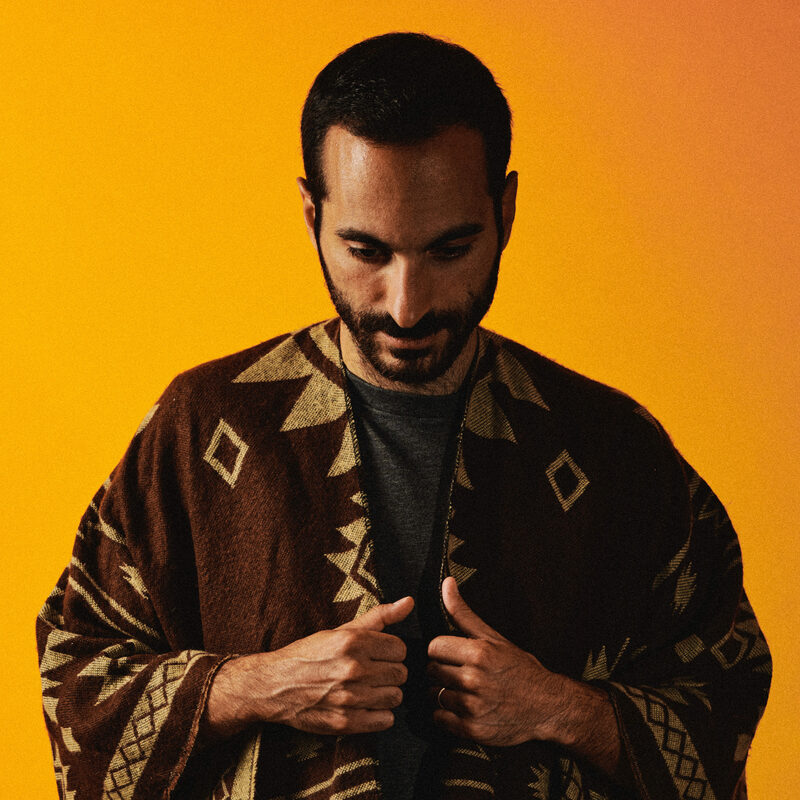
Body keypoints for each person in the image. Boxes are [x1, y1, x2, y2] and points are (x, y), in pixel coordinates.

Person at [37, 33, 770, 800]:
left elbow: (725, 695)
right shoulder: (201, 427)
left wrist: (561, 709)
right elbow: (76, 673)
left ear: (506, 211)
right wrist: (258, 685)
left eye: (450, 250)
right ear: (311, 215)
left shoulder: (615, 447)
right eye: (366, 251)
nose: (406, 305)